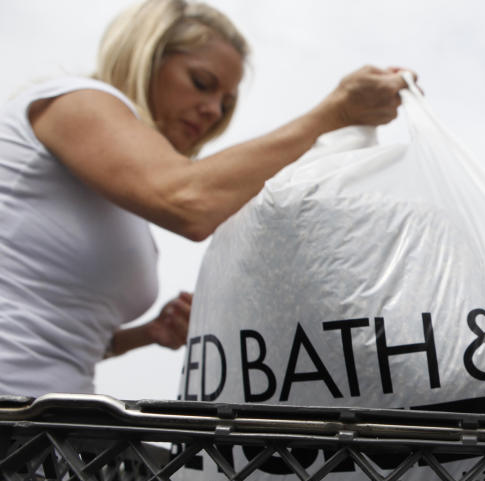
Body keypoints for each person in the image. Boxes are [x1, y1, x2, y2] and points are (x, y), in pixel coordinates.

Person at [0, 0, 410, 397]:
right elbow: (189, 201)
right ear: (147, 55)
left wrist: (148, 335)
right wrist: (334, 114)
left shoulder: (116, 200)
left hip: (46, 435)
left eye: (226, 103)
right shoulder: (76, 100)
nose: (213, 110)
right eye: (201, 83)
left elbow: (58, 337)